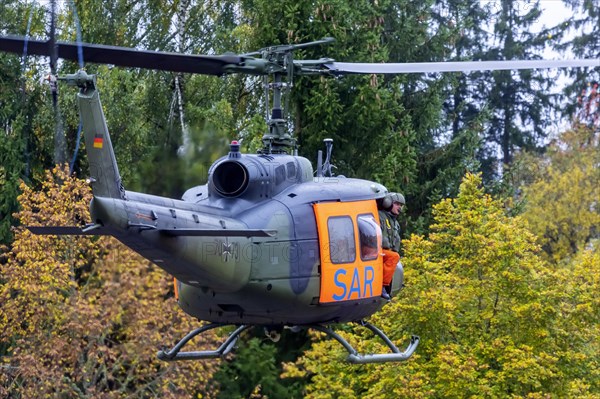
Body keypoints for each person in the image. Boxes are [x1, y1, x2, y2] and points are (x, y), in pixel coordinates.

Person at [377, 192, 405, 300]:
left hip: (386, 252)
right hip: (377, 251)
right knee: (394, 257)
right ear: (388, 203)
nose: (399, 207)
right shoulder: (379, 216)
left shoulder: (394, 222)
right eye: (397, 204)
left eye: (401, 205)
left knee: (394, 256)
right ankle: (382, 285)